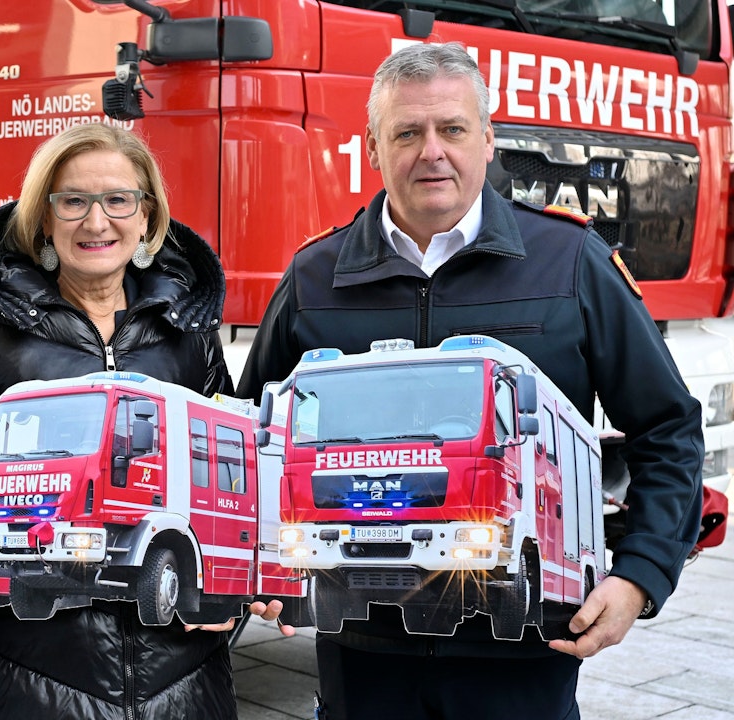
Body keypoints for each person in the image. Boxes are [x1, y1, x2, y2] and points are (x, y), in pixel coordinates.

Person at [238, 42, 704, 719]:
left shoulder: (570, 261)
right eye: (407, 133)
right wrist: (255, 564)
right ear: (372, 149)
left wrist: (640, 574)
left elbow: (668, 429)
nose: (432, 151)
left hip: (521, 661)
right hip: (362, 661)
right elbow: (252, 435)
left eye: (452, 129)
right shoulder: (314, 277)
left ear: (487, 141)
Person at [0, 122, 236, 719]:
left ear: (147, 216)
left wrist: (233, 592)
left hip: (179, 686)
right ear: (43, 220)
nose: (97, 222)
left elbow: (232, 480)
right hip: (19, 681)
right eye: (73, 201)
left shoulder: (189, 330)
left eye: (118, 199)